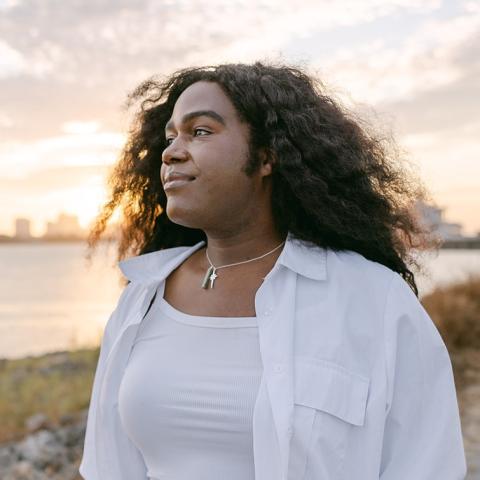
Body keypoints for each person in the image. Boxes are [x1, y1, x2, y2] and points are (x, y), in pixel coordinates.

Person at [80, 62, 467, 480]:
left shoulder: (374, 299)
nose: (171, 151)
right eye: (170, 136)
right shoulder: (142, 299)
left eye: (201, 132)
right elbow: (108, 467)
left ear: (266, 157)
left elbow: (428, 465)